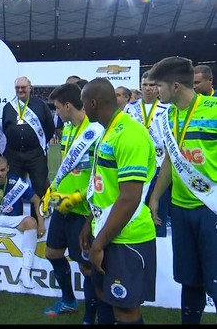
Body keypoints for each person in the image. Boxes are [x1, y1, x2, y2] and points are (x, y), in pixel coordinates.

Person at [79, 78, 157, 325]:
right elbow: (106, 186)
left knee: (125, 310)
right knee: (105, 298)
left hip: (128, 237)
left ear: (93, 103)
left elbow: (129, 197)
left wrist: (99, 244)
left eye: (83, 104)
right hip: (105, 229)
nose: (83, 109)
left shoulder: (130, 134)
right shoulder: (109, 131)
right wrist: (90, 222)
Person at [147, 57, 217, 324]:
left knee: (215, 281)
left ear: (175, 86)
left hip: (211, 208)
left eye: (159, 87)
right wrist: (155, 196)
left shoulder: (215, 109)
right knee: (190, 281)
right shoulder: (168, 116)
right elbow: (169, 159)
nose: (155, 92)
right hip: (180, 208)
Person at [43, 82, 114, 324]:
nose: (56, 113)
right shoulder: (70, 129)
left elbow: (100, 176)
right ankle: (68, 300)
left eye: (57, 108)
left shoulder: (95, 132)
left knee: (86, 267)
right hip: (63, 208)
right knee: (52, 253)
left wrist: (77, 197)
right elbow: (67, 168)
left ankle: (89, 316)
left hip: (83, 212)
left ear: (68, 106)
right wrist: (52, 191)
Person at [123, 71, 171, 237]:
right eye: (145, 85)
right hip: (137, 166)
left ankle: (160, 248)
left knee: (158, 214)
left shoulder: (168, 108)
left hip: (161, 167)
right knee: (135, 211)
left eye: (152, 85)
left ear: (158, 88)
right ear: (140, 86)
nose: (149, 88)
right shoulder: (130, 109)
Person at [2, 76, 55, 218]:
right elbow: (5, 128)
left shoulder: (40, 105)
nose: (20, 90)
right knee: (13, 187)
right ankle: (15, 218)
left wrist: (39, 144)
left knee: (39, 187)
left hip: (35, 155)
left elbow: (49, 127)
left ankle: (39, 219)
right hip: (14, 154)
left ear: (30, 88)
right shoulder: (9, 107)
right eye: (17, 88)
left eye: (23, 87)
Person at [0, 156, 45, 289]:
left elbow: (37, 200)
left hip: (11, 218)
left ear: (8, 168)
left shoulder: (16, 182)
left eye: (2, 170)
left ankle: (25, 271)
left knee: (31, 222)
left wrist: (41, 222)